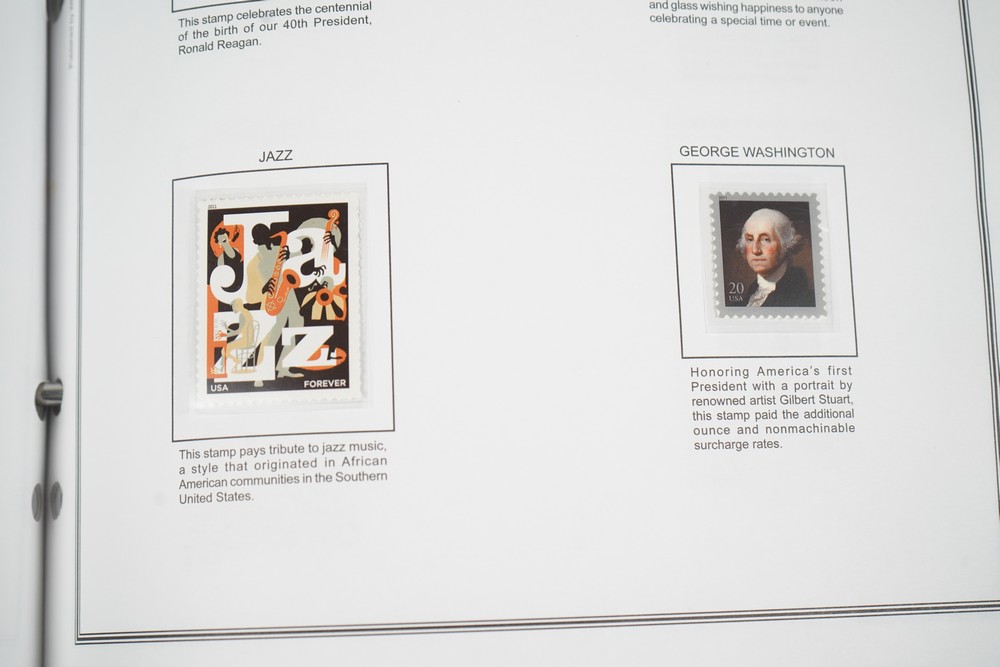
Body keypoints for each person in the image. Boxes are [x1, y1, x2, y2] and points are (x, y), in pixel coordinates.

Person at [736, 208, 815, 307]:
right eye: (750, 239)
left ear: (786, 244)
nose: (755, 250)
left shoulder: (804, 298)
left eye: (765, 239)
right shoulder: (752, 292)